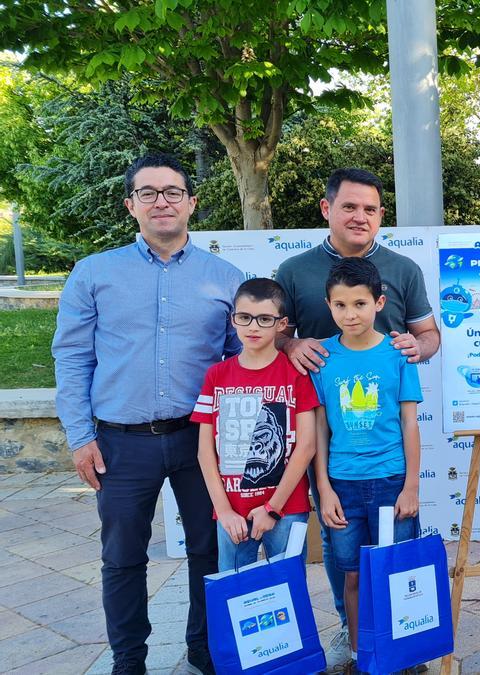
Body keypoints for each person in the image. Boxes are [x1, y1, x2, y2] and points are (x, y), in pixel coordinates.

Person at [53, 153, 243, 675]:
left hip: (199, 440)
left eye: (173, 192)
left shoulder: (225, 278)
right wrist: (79, 437)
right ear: (131, 204)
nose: (162, 201)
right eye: (149, 192)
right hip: (119, 443)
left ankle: (205, 651)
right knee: (122, 557)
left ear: (192, 203)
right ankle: (129, 661)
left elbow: (241, 359)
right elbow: (71, 357)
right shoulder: (94, 273)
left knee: (210, 551)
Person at [274, 167, 439, 666]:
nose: (360, 216)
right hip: (327, 436)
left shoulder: (404, 269)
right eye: (349, 206)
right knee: (344, 558)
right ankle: (354, 634)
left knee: (393, 555)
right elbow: (272, 334)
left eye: (370, 208)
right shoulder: (295, 271)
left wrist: (419, 345)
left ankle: (402, 636)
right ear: (327, 210)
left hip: (387, 452)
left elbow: (429, 337)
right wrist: (291, 342)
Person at [310, 257, 423, 671]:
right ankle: (361, 656)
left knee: (395, 573)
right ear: (328, 305)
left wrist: (411, 485)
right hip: (343, 485)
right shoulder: (324, 358)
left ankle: (402, 653)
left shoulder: (396, 355)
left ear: (378, 302)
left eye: (359, 303)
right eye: (340, 305)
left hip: (392, 480)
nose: (349, 314)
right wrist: (323, 489)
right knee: (353, 575)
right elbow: (320, 429)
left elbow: (410, 423)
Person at [192, 277, 319, 571]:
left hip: (286, 509)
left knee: (289, 591)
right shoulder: (216, 376)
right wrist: (223, 510)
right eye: (245, 317)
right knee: (234, 595)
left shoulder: (295, 374)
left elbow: (307, 446)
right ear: (233, 319)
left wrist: (272, 509)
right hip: (232, 512)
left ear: (281, 323)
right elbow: (204, 450)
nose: (253, 327)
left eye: (264, 319)